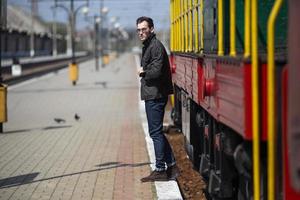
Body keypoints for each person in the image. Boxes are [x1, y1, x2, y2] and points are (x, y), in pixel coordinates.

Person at [136, 16, 179, 182]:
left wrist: (143, 72)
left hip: (156, 94)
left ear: (151, 29)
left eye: (144, 29)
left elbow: (157, 71)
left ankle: (160, 169)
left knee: (155, 132)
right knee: (156, 132)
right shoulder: (149, 45)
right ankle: (172, 165)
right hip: (153, 93)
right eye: (139, 30)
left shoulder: (155, 46)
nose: (141, 32)